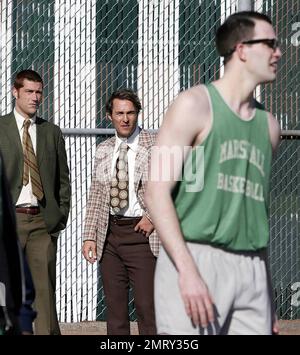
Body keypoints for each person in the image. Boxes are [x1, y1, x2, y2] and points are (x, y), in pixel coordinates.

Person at [145, 11, 281, 335]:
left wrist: (268, 296)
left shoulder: (270, 127)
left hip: (252, 268)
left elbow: (254, 213)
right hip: (195, 257)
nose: (278, 53)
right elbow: (156, 192)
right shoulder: (193, 105)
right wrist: (187, 270)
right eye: (270, 44)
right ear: (242, 49)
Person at [82, 89, 160, 335]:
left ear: (137, 114)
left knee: (148, 308)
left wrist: (154, 218)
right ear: (110, 116)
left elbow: (176, 189)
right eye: (119, 113)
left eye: (130, 113)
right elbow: (97, 195)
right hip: (110, 235)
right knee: (115, 311)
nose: (125, 119)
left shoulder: (157, 144)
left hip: (143, 234)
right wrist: (89, 236)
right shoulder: (104, 149)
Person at [0, 69, 71, 335]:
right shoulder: (1, 128)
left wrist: (59, 217)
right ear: (15, 92)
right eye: (29, 91)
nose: (35, 97)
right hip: (9, 222)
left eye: (39, 92)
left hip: (42, 221)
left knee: (44, 293)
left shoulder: (51, 132)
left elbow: (63, 180)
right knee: (5, 291)